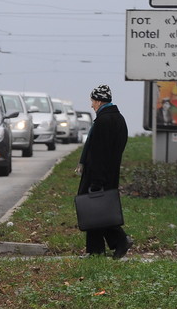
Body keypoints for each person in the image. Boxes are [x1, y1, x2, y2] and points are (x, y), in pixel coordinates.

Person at [75, 84, 133, 259]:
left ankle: (119, 240)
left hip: (98, 175)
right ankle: (96, 250)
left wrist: (96, 181)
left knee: (95, 211)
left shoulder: (103, 121)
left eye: (93, 101)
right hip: (110, 172)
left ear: (99, 101)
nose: (91, 105)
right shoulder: (118, 119)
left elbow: (99, 153)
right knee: (99, 211)